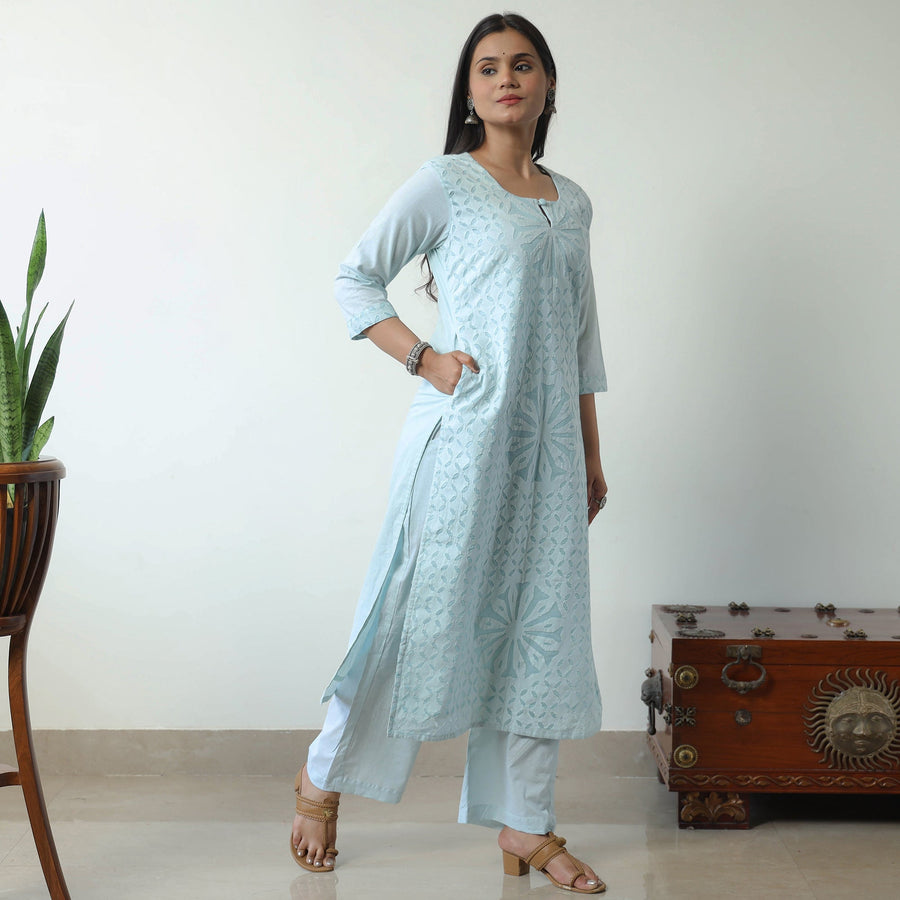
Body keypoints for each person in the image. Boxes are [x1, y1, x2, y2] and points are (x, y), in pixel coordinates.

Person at [291, 12, 608, 895]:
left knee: (538, 628)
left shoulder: (573, 202)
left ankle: (526, 823)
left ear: (548, 84)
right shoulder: (445, 183)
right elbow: (355, 277)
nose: (507, 79)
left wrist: (590, 454)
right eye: (488, 68)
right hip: (465, 441)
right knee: (407, 611)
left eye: (523, 65)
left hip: (548, 459)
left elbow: (580, 339)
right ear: (469, 92)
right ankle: (322, 775)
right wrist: (425, 360)